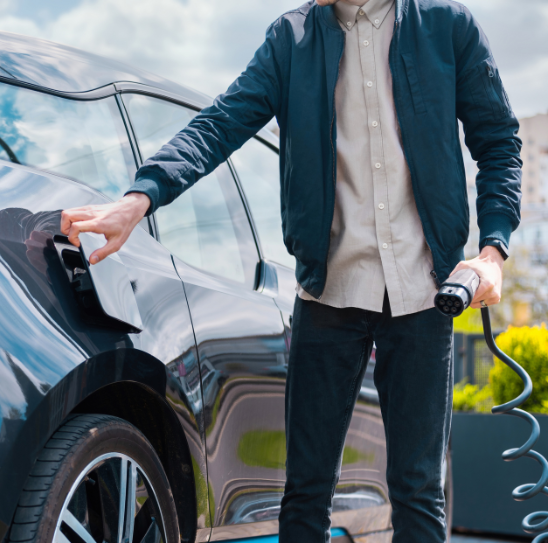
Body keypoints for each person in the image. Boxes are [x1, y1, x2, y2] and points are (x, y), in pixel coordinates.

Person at [60, 0, 521, 540]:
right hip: (328, 297)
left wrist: (492, 251)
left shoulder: (447, 26)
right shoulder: (291, 39)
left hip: (424, 295)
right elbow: (221, 123)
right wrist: (140, 197)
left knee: (418, 491)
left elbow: (498, 142)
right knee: (305, 492)